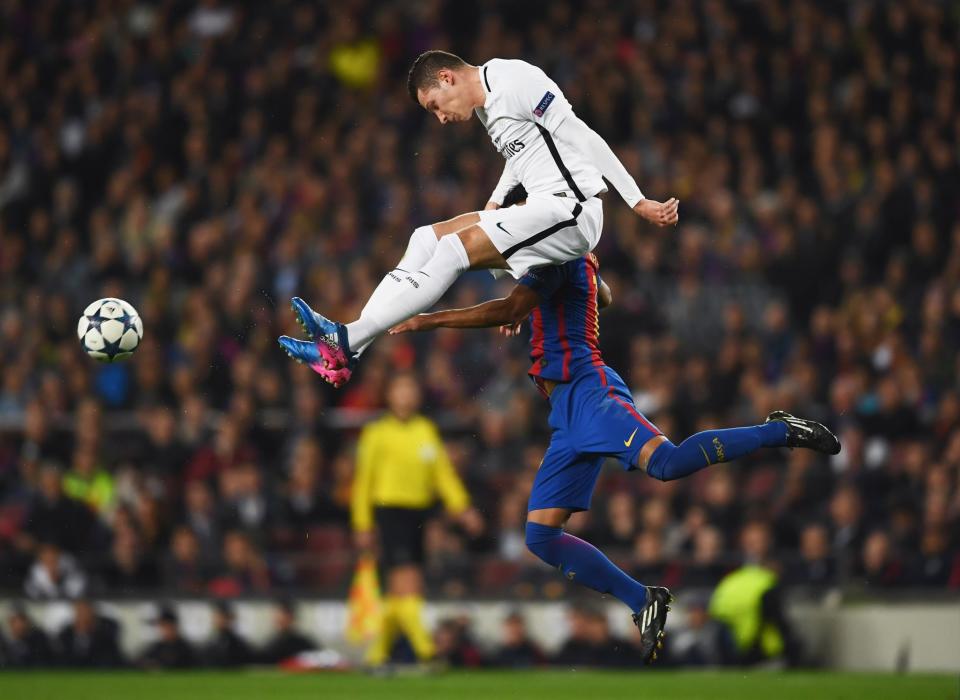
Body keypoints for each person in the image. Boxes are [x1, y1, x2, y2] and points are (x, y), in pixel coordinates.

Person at [389, 241, 840, 664]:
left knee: (667, 463)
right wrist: (539, 304)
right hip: (566, 410)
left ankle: (778, 430)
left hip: (591, 393)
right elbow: (601, 295)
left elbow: (511, 305)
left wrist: (428, 319)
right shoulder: (572, 252)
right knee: (540, 537)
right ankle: (642, 599)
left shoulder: (556, 253)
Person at [278, 50, 679, 386]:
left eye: (435, 105)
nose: (440, 117)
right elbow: (519, 159)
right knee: (424, 238)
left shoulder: (517, 81)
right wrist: (492, 205)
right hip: (542, 208)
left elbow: (581, 135)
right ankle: (348, 348)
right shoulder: (486, 107)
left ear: (448, 78)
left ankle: (344, 341)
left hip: (573, 210)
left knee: (454, 249)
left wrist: (637, 199)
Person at [351, 372, 484, 668]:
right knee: (408, 582)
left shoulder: (425, 430)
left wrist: (463, 508)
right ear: (390, 395)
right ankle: (426, 650)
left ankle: (377, 654)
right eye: (400, 388)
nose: (406, 395)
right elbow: (363, 482)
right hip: (389, 512)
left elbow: (443, 475)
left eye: (411, 388)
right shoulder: (377, 433)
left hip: (418, 514)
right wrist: (362, 524)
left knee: (402, 589)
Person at [56, 599, 123, 668]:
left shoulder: (104, 637)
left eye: (85, 612)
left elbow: (112, 659)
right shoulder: (65, 636)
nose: (83, 616)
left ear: (92, 614)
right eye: (80, 612)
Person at [259, 598, 318, 664]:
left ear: (291, 616)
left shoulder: (302, 643)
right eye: (276, 613)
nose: (276, 617)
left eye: (280, 613)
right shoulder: (272, 642)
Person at [137, 604, 196, 669]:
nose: (164, 629)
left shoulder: (185, 649)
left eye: (166, 625)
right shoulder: (158, 647)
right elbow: (140, 660)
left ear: (174, 625)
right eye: (162, 626)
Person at [203, 600, 252, 668]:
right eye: (218, 617)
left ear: (230, 619)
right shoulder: (210, 644)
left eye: (223, 617)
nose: (220, 620)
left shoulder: (239, 645)